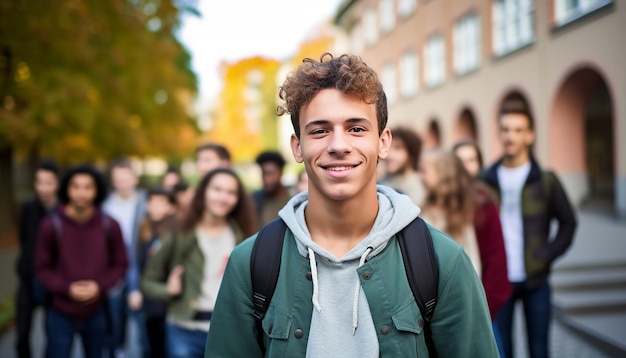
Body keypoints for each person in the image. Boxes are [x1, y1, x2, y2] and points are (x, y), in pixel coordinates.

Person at [205, 53, 498, 357]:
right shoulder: (250, 264)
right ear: (297, 147)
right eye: (319, 130)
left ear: (383, 142)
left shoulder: (442, 263)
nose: (338, 146)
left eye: (356, 128)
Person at [482, 105, 578, 358]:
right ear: (499, 134)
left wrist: (546, 254)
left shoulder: (545, 180)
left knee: (539, 350)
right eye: (505, 130)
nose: (510, 136)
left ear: (530, 135)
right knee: (502, 351)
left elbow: (568, 223)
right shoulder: (486, 180)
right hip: (499, 281)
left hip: (536, 280)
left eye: (517, 130)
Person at [142, 168, 258, 358]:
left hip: (228, 332)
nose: (223, 197)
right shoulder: (179, 233)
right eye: (217, 189)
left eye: (231, 193)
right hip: (184, 330)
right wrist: (168, 290)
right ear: (203, 191)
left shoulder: (244, 237)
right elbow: (148, 281)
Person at [34, 165, 128, 358]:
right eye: (75, 186)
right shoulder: (51, 225)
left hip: (97, 310)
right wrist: (66, 288)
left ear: (97, 190)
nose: (81, 193)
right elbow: (41, 268)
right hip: (60, 311)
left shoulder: (110, 225)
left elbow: (121, 263)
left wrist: (100, 286)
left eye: (88, 187)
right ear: (66, 189)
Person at [452, 140, 512, 356]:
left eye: (472, 160)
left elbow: (496, 261)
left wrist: (486, 307)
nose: (466, 166)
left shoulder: (484, 201)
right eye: (460, 160)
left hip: (481, 305)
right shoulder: (445, 200)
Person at [102, 158, 148, 358]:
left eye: (127, 178)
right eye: (119, 179)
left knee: (143, 325)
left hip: (141, 268)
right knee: (114, 322)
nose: (123, 183)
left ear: (135, 179)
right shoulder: (105, 206)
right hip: (114, 269)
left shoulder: (146, 203)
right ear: (113, 181)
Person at [15, 159, 60, 358]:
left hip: (53, 279)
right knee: (22, 331)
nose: (43, 188)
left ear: (57, 183)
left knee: (53, 332)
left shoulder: (63, 210)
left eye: (48, 182)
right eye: (39, 182)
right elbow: (24, 238)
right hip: (28, 277)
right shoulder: (28, 208)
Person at [418, 149, 482, 275]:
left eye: (424, 171)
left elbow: (472, 260)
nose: (419, 177)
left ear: (442, 173)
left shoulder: (459, 212)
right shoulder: (422, 210)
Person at [136, 188, 178, 358]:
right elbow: (138, 263)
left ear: (171, 207)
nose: (155, 207)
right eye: (152, 203)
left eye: (161, 203)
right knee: (151, 346)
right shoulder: (144, 230)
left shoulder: (175, 233)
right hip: (149, 299)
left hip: (169, 300)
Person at [381, 126, 426, 205]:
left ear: (411, 153)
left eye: (397, 148)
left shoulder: (416, 185)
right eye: (389, 148)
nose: (390, 155)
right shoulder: (384, 179)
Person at [252, 150, 291, 226]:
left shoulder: (294, 199)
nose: (266, 179)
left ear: (281, 172)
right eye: (264, 174)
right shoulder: (256, 200)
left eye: (270, 173)